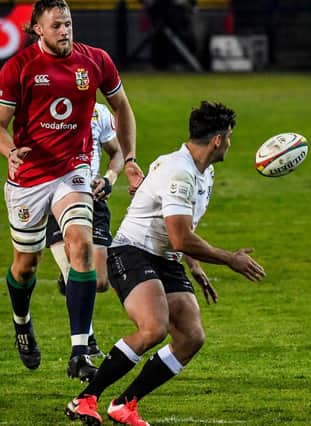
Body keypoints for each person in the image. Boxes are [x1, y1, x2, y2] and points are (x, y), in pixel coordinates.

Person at [65, 101, 266, 426]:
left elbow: (182, 229)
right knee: (153, 328)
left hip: (166, 258)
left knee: (191, 337)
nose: (229, 143)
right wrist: (230, 259)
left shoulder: (205, 171)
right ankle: (84, 399)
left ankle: (125, 405)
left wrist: (195, 267)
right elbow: (181, 237)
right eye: (229, 137)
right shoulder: (180, 172)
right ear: (217, 140)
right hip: (132, 252)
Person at [0, 0, 143, 382]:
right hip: (29, 179)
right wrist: (11, 151)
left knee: (80, 246)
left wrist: (127, 158)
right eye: (57, 25)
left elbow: (123, 108)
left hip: (73, 171)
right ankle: (22, 321)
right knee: (25, 266)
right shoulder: (18, 68)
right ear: (37, 30)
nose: (66, 31)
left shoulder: (95, 60)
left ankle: (80, 350)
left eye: (69, 24)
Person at [46, 102, 125, 358]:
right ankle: (84, 345)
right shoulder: (50, 105)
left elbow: (117, 153)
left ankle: (71, 283)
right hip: (58, 197)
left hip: (93, 198)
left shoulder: (99, 112)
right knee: (74, 272)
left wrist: (109, 180)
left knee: (99, 281)